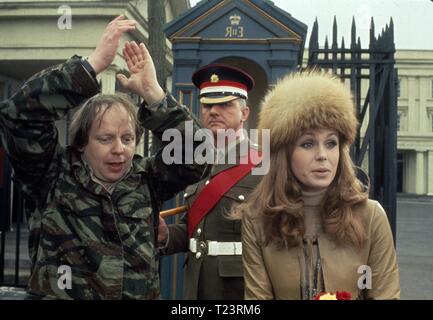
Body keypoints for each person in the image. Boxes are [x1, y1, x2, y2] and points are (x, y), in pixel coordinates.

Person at [0, 16, 209, 299]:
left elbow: (198, 153)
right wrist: (91, 66)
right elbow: (17, 116)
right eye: (105, 138)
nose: (119, 149)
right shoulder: (53, 175)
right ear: (82, 142)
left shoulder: (146, 178)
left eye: (127, 138)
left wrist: (154, 95)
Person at [238, 71, 400, 300]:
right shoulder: (257, 219)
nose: (323, 155)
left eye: (331, 143)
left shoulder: (371, 216)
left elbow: (386, 295)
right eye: (308, 143)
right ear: (284, 153)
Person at [158, 64, 263, 299]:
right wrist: (166, 235)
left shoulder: (264, 164)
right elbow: (194, 229)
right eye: (207, 105)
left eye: (225, 104)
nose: (213, 111)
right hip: (197, 285)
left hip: (240, 289)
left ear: (244, 113)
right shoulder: (196, 163)